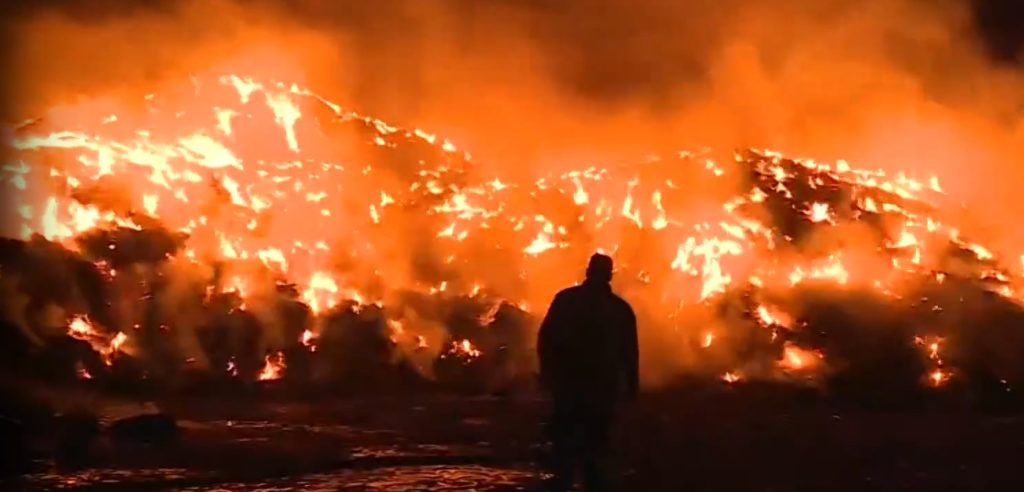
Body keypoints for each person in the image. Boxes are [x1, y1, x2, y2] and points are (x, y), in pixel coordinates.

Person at [537, 253, 639, 492]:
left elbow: (546, 338)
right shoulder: (620, 309)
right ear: (609, 275)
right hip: (601, 387)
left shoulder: (565, 300)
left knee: (565, 439)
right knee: (596, 442)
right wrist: (632, 385)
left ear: (587, 272)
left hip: (568, 383)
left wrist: (547, 372)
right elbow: (629, 352)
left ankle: (564, 478)